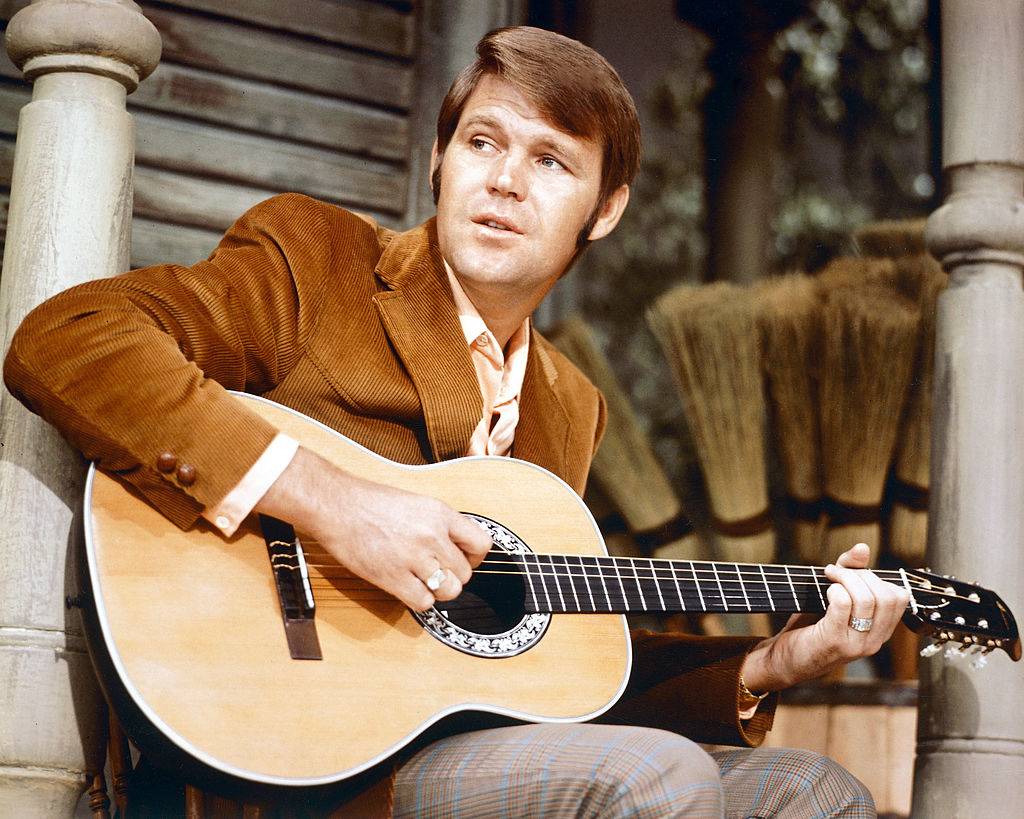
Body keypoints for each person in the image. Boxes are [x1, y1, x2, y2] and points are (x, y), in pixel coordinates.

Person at [4, 25, 908, 818]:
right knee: (653, 777)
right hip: (287, 749)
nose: (506, 181)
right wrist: (331, 501)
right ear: (439, 159)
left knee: (811, 790)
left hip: (463, 740)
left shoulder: (570, 402)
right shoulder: (317, 260)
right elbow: (69, 337)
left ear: (607, 209)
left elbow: (564, 667)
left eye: (551, 160)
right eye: (483, 141)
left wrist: (771, 663)